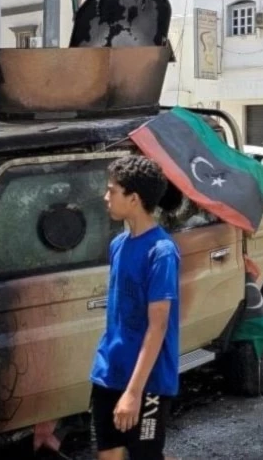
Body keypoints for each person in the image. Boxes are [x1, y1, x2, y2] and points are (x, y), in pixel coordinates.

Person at [90, 155, 181, 460]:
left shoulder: (162, 252)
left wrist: (133, 392)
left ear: (133, 198)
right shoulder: (118, 244)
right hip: (109, 371)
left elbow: (158, 327)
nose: (106, 197)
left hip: (149, 382)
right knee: (108, 454)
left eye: (112, 191)